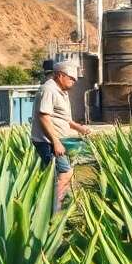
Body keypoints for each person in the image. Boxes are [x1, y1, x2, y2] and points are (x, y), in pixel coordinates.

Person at [30, 60, 89, 211]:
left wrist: (79, 128)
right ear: (60, 75)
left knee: (55, 174)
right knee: (65, 172)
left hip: (57, 140)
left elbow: (64, 119)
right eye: (71, 78)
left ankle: (54, 203)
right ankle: (55, 211)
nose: (74, 82)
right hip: (47, 141)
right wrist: (55, 142)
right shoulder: (48, 90)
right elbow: (43, 116)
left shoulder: (62, 92)